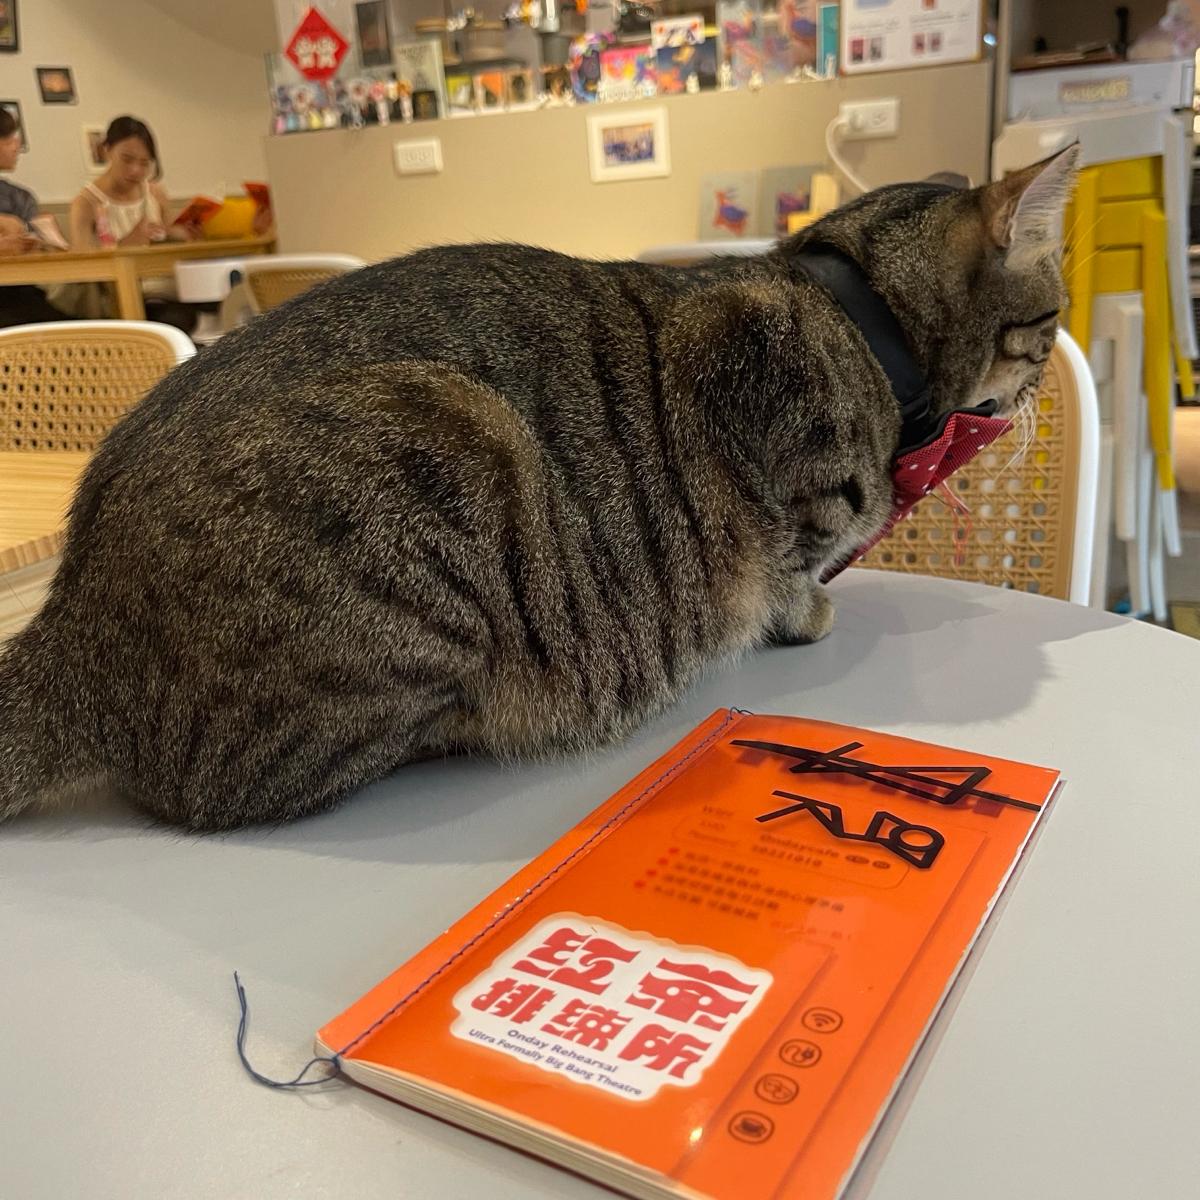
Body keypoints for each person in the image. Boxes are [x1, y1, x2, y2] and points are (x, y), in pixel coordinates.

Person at [58, 115, 200, 329]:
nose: (135, 171)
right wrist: (127, 243)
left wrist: (181, 234)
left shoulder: (156, 193)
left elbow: (169, 236)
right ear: (107, 150)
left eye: (144, 163)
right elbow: (82, 267)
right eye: (127, 159)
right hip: (118, 299)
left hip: (167, 290)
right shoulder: (86, 202)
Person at [0, 106, 73, 327]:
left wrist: (46, 239)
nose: (16, 146)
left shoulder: (20, 197)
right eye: (9, 139)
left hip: (21, 293)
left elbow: (43, 245)